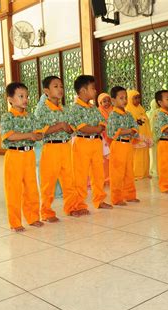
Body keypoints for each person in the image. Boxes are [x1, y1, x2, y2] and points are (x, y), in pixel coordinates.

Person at [0, 82, 45, 232]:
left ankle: (33, 217)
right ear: (10, 99)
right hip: (14, 155)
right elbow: (10, 136)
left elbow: (39, 133)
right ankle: (15, 222)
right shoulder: (8, 117)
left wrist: (38, 135)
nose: (25, 99)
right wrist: (29, 135)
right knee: (14, 190)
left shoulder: (30, 116)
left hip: (29, 155)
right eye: (21, 96)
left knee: (31, 188)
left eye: (26, 96)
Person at [35, 75, 82, 219]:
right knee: (48, 182)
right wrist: (60, 126)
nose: (60, 89)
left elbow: (73, 126)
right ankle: (46, 212)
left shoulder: (65, 109)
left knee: (69, 180)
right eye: (55, 86)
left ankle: (71, 207)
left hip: (66, 147)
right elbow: (39, 131)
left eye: (61, 86)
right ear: (46, 91)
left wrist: (71, 128)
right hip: (51, 148)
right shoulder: (41, 110)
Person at [67, 75, 113, 212]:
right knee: (80, 175)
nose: (95, 90)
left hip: (95, 143)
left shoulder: (93, 108)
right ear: (82, 91)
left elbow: (102, 122)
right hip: (82, 142)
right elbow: (81, 127)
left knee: (98, 174)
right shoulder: (75, 108)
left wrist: (98, 128)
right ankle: (78, 204)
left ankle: (99, 200)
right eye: (92, 88)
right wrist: (96, 129)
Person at [106, 86, 140, 205]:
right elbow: (111, 132)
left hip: (128, 145)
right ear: (113, 100)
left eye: (125, 98)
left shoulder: (129, 114)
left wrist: (130, 131)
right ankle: (117, 198)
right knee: (117, 173)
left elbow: (135, 128)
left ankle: (130, 195)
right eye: (121, 98)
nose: (124, 100)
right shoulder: (113, 115)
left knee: (129, 171)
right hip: (118, 145)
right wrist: (127, 131)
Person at [126, 90, 153, 180]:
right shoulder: (128, 109)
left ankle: (145, 172)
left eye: (138, 98)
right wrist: (141, 120)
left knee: (145, 154)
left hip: (144, 134)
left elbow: (146, 120)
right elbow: (132, 123)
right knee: (137, 156)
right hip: (136, 136)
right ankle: (136, 174)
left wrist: (143, 119)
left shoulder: (141, 108)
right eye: (135, 98)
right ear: (130, 99)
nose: (138, 100)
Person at [97, 92, 113, 185]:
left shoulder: (113, 111)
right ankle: (104, 178)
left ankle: (111, 177)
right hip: (103, 138)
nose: (107, 103)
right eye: (104, 101)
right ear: (100, 103)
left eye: (108, 101)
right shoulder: (98, 112)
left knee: (112, 159)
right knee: (104, 160)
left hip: (112, 138)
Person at [147, 99, 159, 178]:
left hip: (151, 136)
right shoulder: (158, 112)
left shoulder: (148, 113)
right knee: (156, 154)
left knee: (152, 154)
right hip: (158, 136)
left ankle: (152, 169)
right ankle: (157, 169)